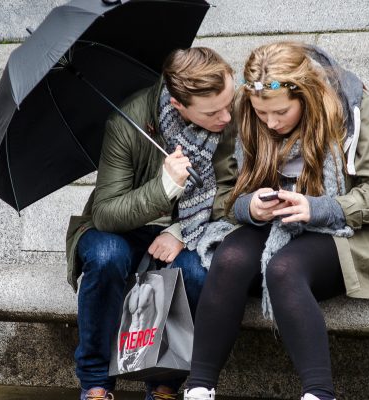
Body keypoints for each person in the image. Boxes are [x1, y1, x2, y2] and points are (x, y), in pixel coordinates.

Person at [184, 42, 369, 400]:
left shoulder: (353, 109)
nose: (270, 122)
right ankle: (198, 388)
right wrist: (248, 208)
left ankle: (318, 394)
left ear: (307, 95)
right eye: (262, 113)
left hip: (343, 231)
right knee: (231, 258)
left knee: (284, 269)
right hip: (270, 226)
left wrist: (319, 208)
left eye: (281, 112)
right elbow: (224, 194)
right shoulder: (247, 114)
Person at [64, 47, 238, 400]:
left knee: (195, 272)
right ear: (178, 105)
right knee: (107, 256)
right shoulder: (125, 125)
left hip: (191, 229)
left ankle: (164, 384)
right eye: (213, 111)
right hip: (118, 230)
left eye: (228, 103)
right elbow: (106, 213)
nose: (226, 115)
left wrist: (179, 231)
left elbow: (233, 192)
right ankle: (95, 382)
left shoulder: (230, 123)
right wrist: (165, 188)